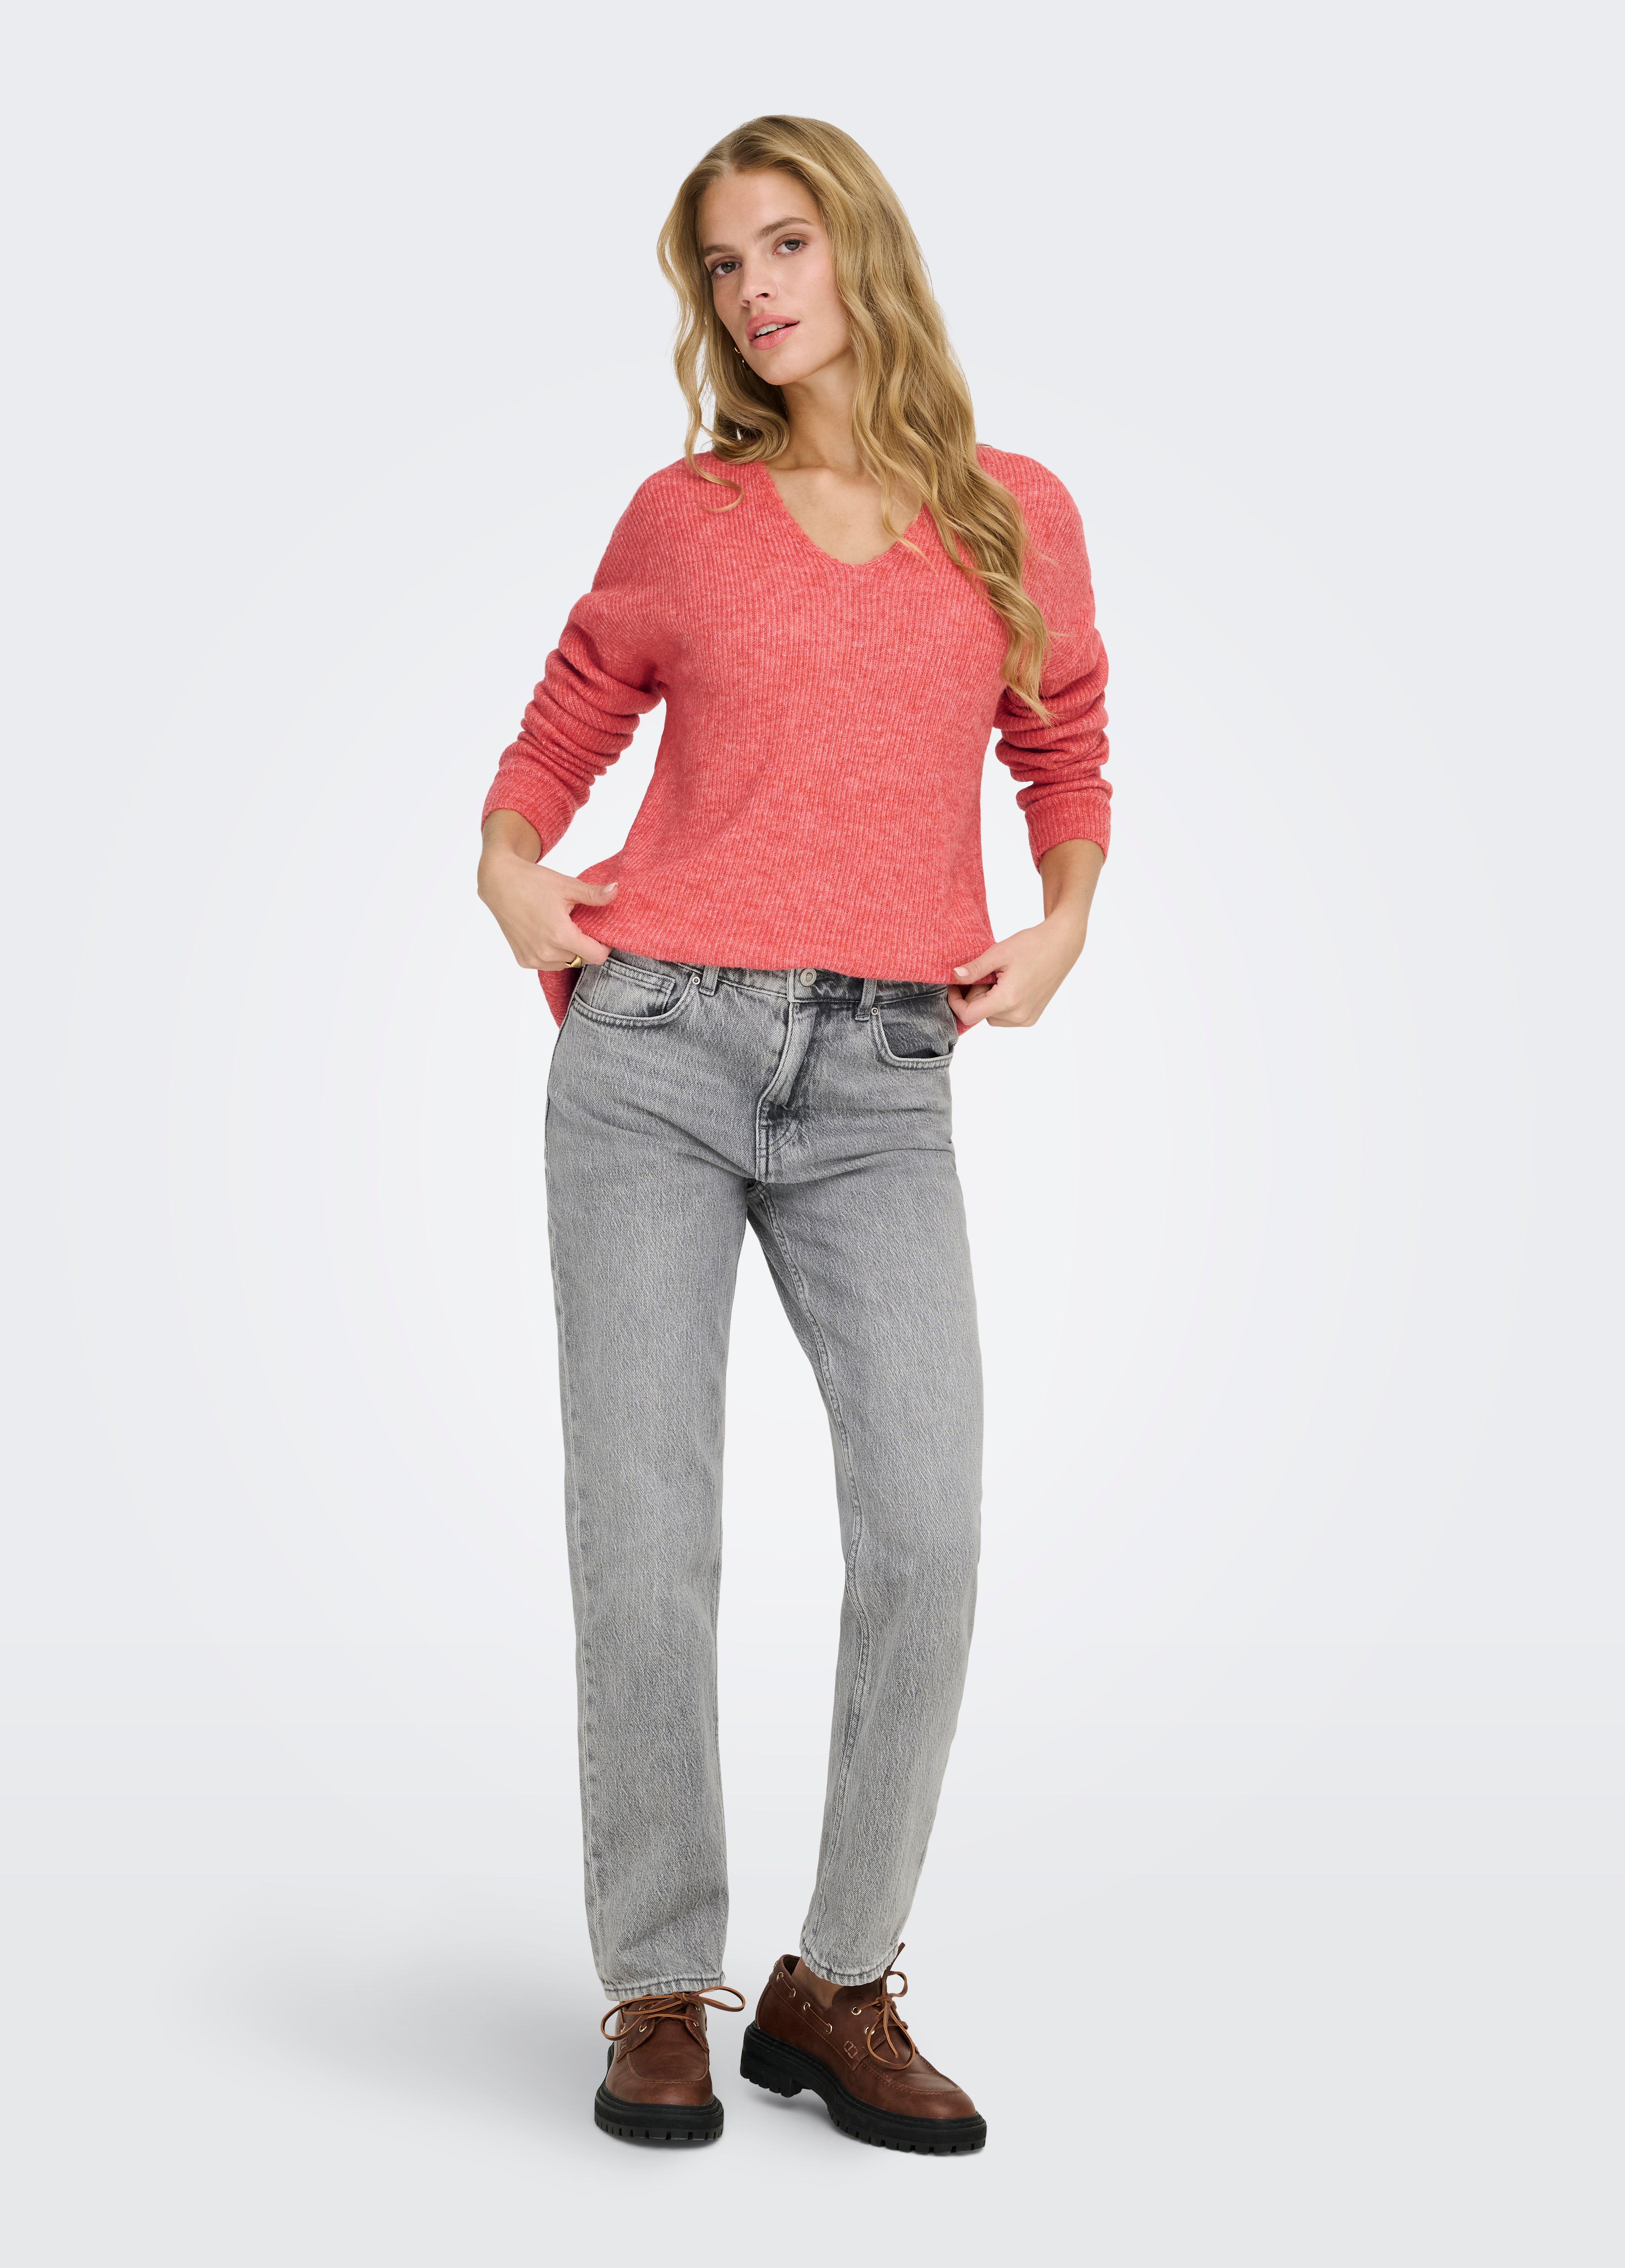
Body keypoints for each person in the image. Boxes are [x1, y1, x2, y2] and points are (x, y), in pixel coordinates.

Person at [476, 114, 1110, 2155]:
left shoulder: (1012, 513)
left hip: (882, 1079)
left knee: (928, 1525)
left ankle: (838, 1982)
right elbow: (567, 718)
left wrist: (1066, 915)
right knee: (647, 1534)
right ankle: (659, 1977)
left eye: (784, 244)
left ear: (862, 247)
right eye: (721, 267)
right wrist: (509, 868)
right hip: (652, 1049)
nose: (755, 292)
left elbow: (1065, 737)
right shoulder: (687, 516)